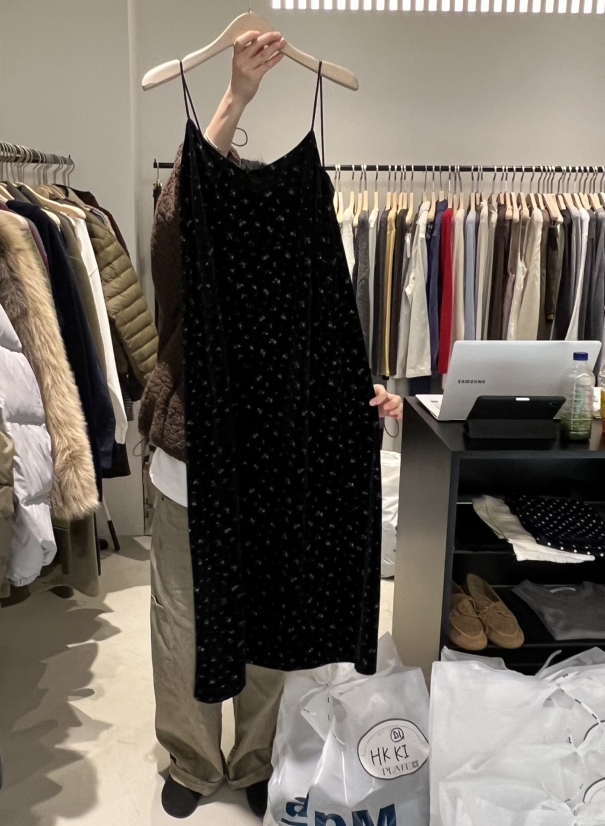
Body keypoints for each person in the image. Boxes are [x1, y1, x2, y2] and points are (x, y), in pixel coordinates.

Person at [141, 30, 403, 820]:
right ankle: (192, 760)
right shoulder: (184, 229)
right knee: (184, 622)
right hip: (191, 462)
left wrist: (361, 394)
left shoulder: (301, 227)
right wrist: (234, 98)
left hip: (279, 457)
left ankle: (256, 755)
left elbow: (320, 337)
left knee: (269, 613)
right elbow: (173, 221)